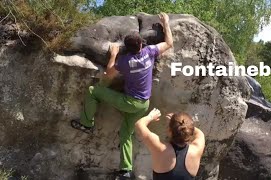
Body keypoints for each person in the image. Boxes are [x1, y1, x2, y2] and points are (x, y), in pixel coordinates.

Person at [70, 12, 173, 179]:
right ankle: (125, 171)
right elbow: (169, 43)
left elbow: (110, 72)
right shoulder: (149, 53)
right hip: (143, 105)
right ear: (141, 44)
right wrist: (166, 23)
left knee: (92, 91)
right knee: (126, 134)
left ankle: (86, 123)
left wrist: (113, 54)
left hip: (129, 102)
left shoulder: (125, 62)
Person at [135, 108, 205, 180]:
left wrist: (151, 117)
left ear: (169, 131)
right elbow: (199, 133)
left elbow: (139, 124)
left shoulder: (159, 148)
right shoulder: (197, 149)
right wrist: (185, 124)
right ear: (190, 131)